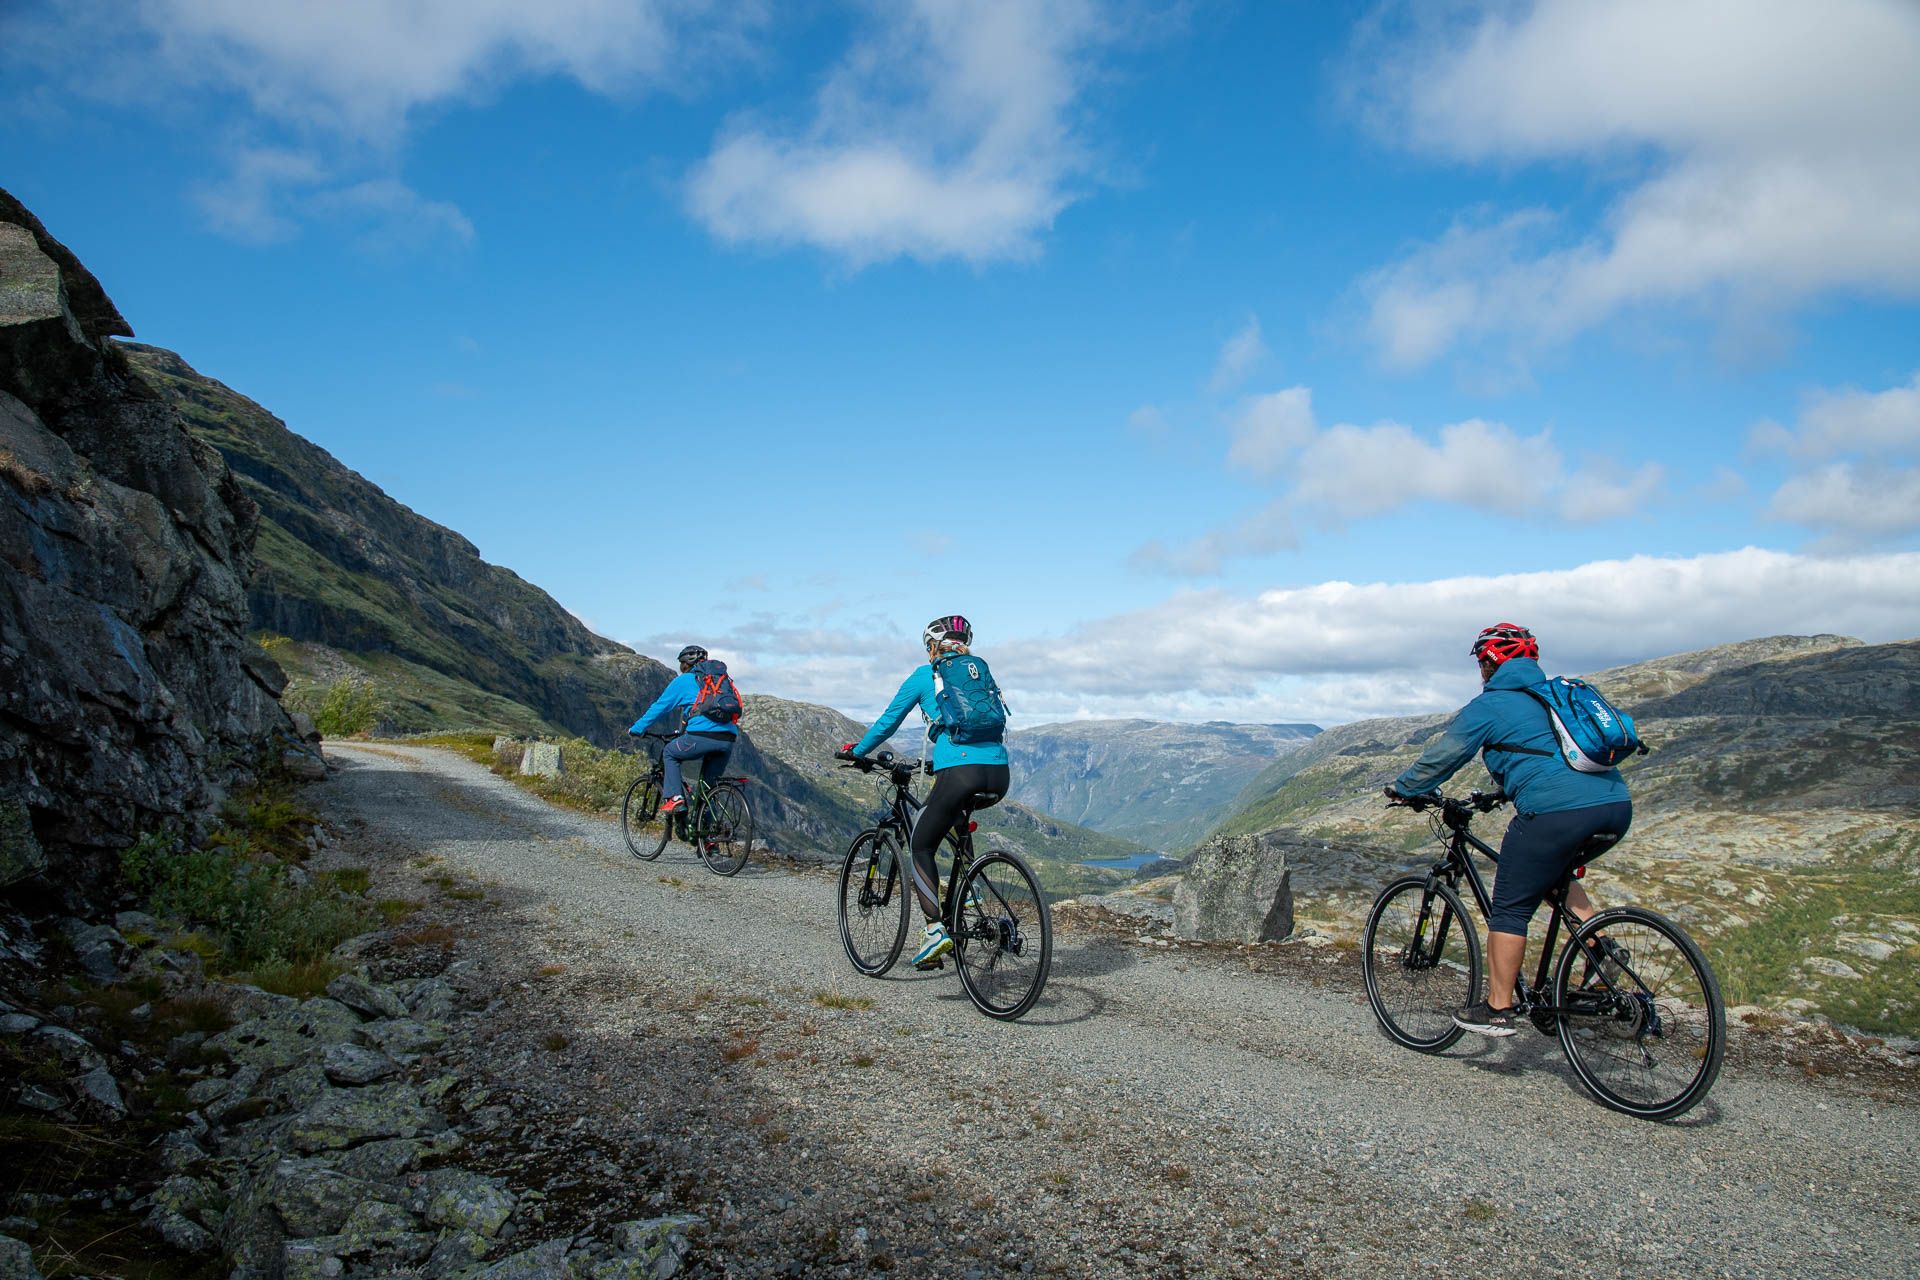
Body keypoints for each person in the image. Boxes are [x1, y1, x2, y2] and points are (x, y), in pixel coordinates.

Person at [1383, 623, 1631, 1037]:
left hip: (1556, 813)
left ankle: (1498, 1006)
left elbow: (1446, 754)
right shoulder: (1554, 695)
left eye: (1482, 663)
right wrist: (1503, 789)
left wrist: (1406, 789)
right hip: (1614, 806)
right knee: (1554, 873)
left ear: (1489, 662)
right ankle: (1599, 946)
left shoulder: (1494, 704)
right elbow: (1545, 753)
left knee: (1511, 907)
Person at [837, 615, 1010, 970]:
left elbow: (888, 722)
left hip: (960, 769)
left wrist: (858, 752)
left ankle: (934, 930)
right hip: (999, 772)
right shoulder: (980, 673)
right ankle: (968, 892)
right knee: (956, 822)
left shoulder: (925, 675)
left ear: (933, 645)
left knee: (920, 842)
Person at [628, 644, 739, 817]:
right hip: (728, 738)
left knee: (670, 752)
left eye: (681, 664)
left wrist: (637, 728)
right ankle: (709, 840)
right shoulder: (720, 682)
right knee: (707, 789)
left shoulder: (684, 680)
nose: (680, 669)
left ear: (686, 664)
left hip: (701, 736)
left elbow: (659, 707)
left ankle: (675, 797)